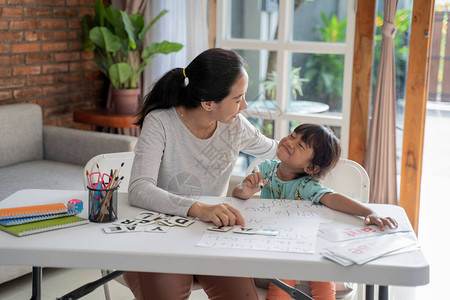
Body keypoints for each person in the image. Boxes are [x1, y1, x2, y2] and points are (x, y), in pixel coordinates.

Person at [124, 48, 278, 300]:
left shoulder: (235, 125)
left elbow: (274, 150)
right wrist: (200, 208)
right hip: (161, 235)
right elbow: (140, 189)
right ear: (208, 103)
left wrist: (314, 147)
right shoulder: (160, 122)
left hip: (212, 234)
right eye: (238, 99)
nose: (245, 105)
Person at [232, 123, 398, 300]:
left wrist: (368, 212)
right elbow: (237, 194)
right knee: (284, 271)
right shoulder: (266, 169)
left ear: (311, 168)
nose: (289, 141)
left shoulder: (306, 186)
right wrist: (246, 191)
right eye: (292, 135)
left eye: (300, 145)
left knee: (320, 272)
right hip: (273, 245)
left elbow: (333, 198)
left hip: (304, 247)